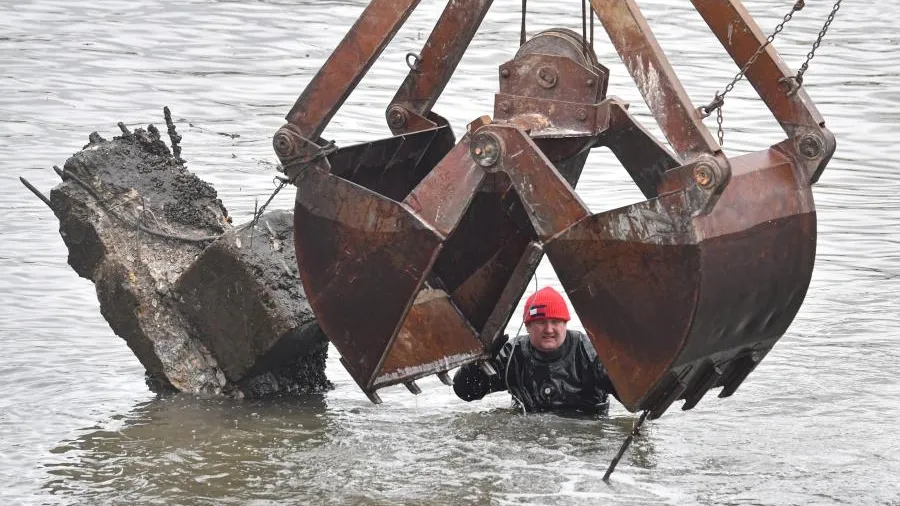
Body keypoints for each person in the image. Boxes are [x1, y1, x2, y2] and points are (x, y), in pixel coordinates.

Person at [453, 286, 617, 415]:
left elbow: (632, 396)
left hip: (584, 434)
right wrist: (479, 362)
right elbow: (465, 392)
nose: (549, 329)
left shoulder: (588, 352)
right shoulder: (513, 354)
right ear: (528, 326)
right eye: (541, 322)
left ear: (565, 324)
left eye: (555, 321)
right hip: (530, 433)